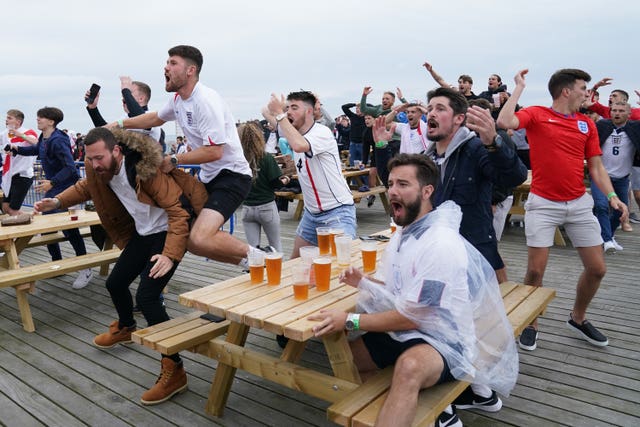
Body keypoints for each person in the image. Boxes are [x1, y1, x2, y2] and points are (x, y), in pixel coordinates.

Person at [308, 154, 518, 427]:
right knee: (346, 357)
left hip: (445, 340)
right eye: (391, 183)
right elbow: (403, 292)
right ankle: (414, 412)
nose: (393, 190)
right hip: (408, 330)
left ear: (427, 191)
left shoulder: (440, 243)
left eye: (403, 184)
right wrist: (365, 283)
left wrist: (350, 320)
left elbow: (415, 315)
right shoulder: (404, 233)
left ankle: (426, 410)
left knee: (409, 368)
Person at [34, 127, 208, 405]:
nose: (94, 164)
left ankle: (174, 368)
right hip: (142, 233)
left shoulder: (144, 170)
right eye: (89, 159)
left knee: (148, 297)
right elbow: (85, 187)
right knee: (115, 283)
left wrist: (169, 254)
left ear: (116, 151)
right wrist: (56, 200)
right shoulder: (98, 169)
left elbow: (178, 212)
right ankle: (126, 327)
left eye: (99, 158)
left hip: (167, 233)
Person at [497, 68, 628, 351]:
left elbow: (595, 165)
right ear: (566, 91)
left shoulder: (586, 124)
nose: (587, 94)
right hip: (543, 203)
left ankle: (577, 318)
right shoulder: (536, 114)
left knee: (597, 269)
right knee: (535, 271)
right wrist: (518, 87)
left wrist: (612, 196)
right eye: (583, 88)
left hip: (579, 204)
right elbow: (505, 120)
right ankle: (531, 321)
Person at [108, 45, 264, 269]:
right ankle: (250, 263)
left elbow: (215, 151)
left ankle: (263, 257)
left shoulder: (205, 101)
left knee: (200, 237)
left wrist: (174, 160)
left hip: (232, 176)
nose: (166, 67)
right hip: (210, 177)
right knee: (191, 241)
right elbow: (154, 119)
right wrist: (119, 124)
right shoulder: (178, 100)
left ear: (190, 70)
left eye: (172, 63)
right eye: (166, 62)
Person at [377, 87, 527, 284]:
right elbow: (396, 184)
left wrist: (494, 143)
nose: (431, 113)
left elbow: (515, 177)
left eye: (440, 109)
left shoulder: (476, 149)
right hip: (436, 254)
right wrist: (380, 147)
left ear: (458, 118)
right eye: (430, 108)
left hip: (473, 254)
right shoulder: (427, 157)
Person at [266, 90, 356, 258]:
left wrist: (279, 113)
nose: (289, 112)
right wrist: (276, 107)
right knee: (296, 265)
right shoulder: (296, 134)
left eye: (294, 108)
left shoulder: (321, 132)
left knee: (341, 266)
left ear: (308, 111)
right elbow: (266, 112)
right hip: (311, 214)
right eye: (287, 108)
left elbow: (299, 145)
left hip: (336, 211)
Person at [12, 107, 93, 289]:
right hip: (53, 188)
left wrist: (52, 183)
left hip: (65, 189)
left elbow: (71, 167)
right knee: (47, 228)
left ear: (51, 121)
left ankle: (85, 268)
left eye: (41, 117)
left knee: (69, 229)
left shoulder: (58, 140)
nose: (38, 119)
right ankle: (57, 264)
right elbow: (36, 149)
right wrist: (17, 149)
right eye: (38, 116)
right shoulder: (44, 137)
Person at [593, 102, 640, 253]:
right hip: (601, 176)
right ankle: (606, 240)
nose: (616, 113)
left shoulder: (635, 128)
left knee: (620, 211)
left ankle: (609, 236)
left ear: (629, 114)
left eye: (621, 111)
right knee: (601, 206)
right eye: (614, 110)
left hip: (622, 178)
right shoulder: (602, 126)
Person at [238, 121, 289, 252]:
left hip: (248, 208)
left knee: (253, 250)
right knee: (276, 246)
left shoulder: (238, 160)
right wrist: (286, 179)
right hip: (266, 206)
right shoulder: (266, 158)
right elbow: (275, 184)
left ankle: (255, 271)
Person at [86, 77, 165, 150]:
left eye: (129, 93)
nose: (124, 97)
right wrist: (93, 108)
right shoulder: (123, 119)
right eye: (124, 97)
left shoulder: (151, 116)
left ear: (141, 98)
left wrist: (125, 90)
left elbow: (140, 118)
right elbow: (105, 132)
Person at [2, 109, 38, 215]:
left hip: (23, 175)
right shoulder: (5, 133)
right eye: (6, 117)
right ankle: (32, 217)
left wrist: (20, 135)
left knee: (13, 210)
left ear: (18, 121)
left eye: (9, 118)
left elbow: (36, 143)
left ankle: (34, 226)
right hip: (9, 175)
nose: (6, 120)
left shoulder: (28, 132)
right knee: (5, 208)